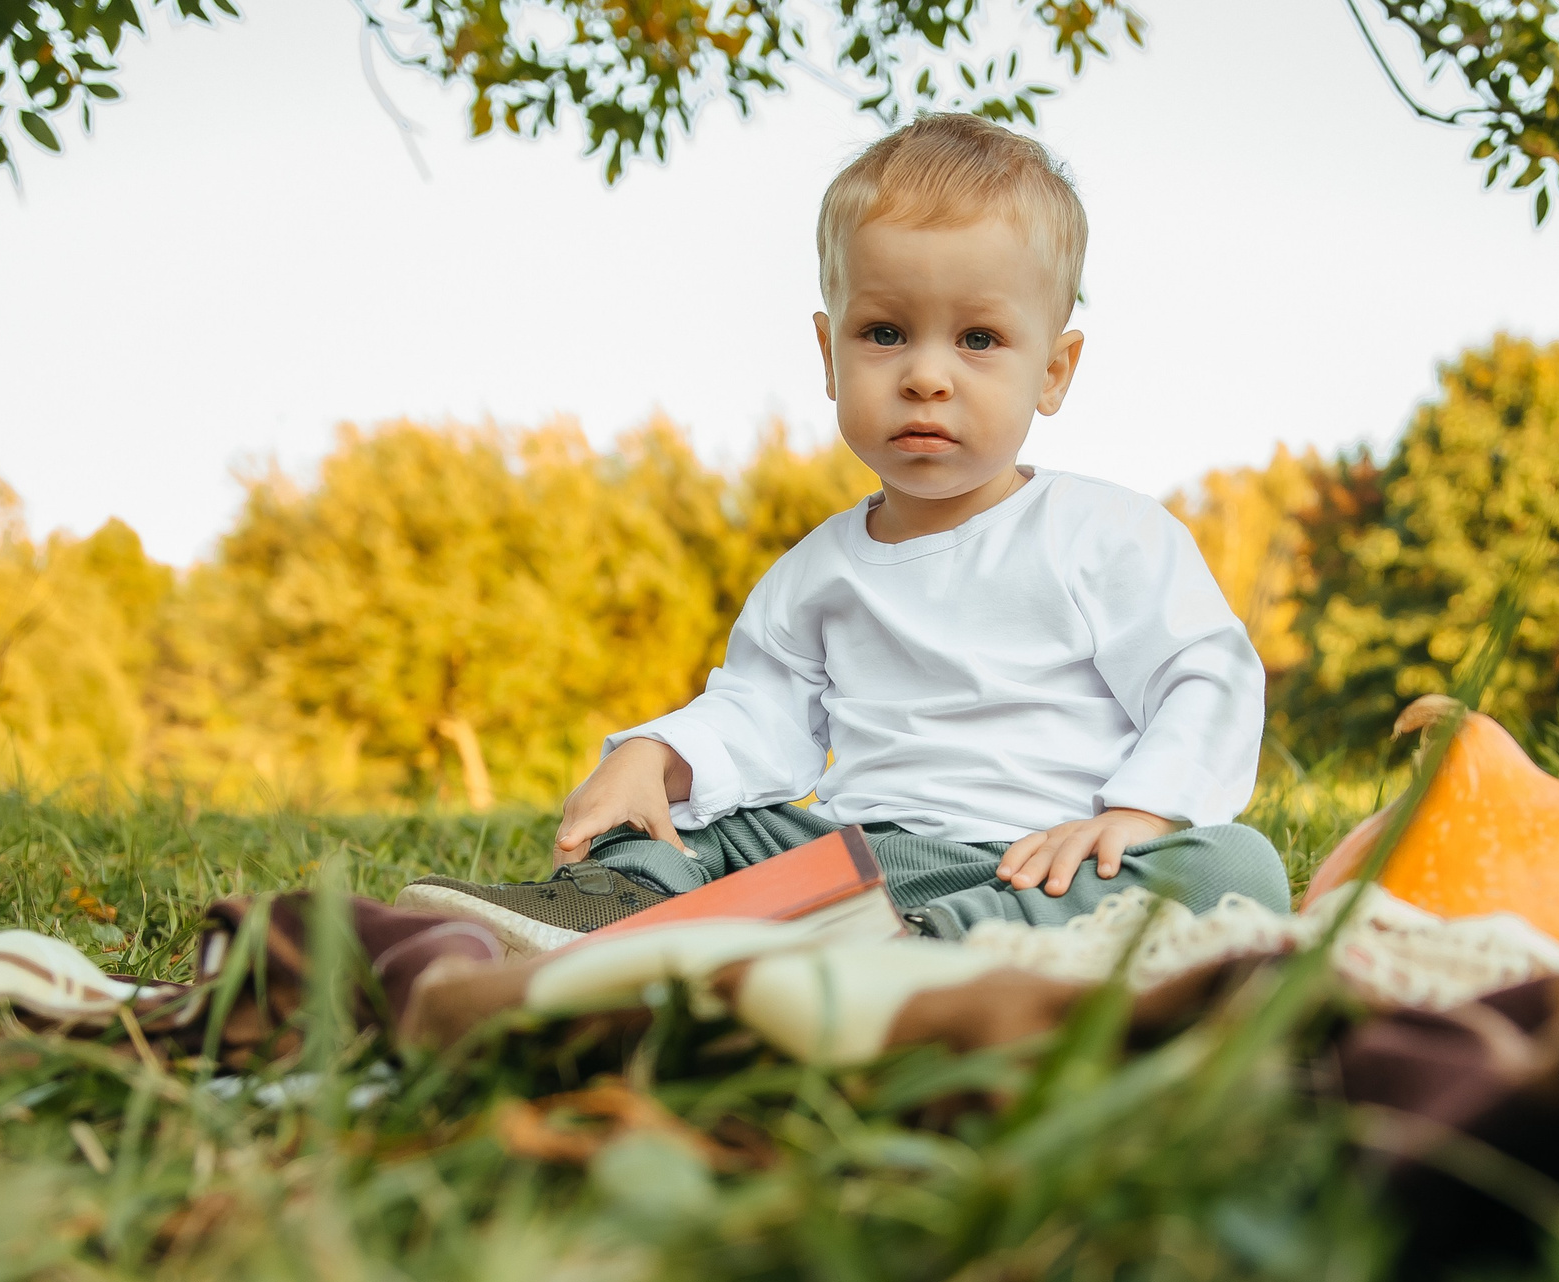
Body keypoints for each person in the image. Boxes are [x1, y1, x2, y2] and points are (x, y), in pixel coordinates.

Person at [404, 113, 1288, 953]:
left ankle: (933, 953)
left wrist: (1137, 816)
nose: (927, 375)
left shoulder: (1107, 533)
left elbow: (1204, 677)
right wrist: (658, 752)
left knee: (1235, 867)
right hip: (853, 862)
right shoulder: (816, 571)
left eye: (979, 338)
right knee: (698, 820)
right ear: (829, 356)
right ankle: (607, 914)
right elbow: (759, 713)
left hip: (1039, 866)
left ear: (1053, 371)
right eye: (885, 333)